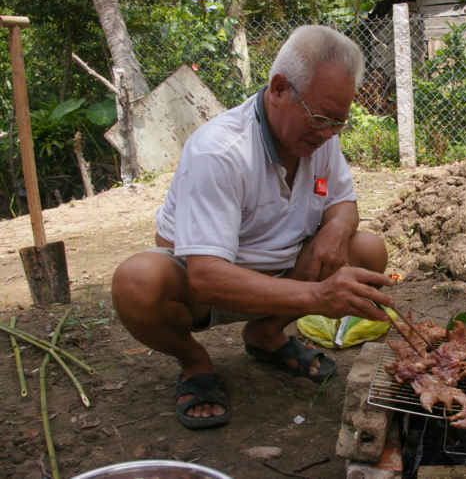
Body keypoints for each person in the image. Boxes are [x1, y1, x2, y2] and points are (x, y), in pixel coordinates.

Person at [111, 25, 395, 430]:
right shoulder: (219, 151)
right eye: (319, 118)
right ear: (278, 89)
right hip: (201, 290)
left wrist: (337, 227)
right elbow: (206, 277)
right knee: (137, 281)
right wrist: (316, 294)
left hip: (280, 277)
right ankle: (194, 362)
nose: (328, 133)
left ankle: (265, 332)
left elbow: (344, 203)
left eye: (338, 122)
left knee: (366, 249)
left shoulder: (320, 134)